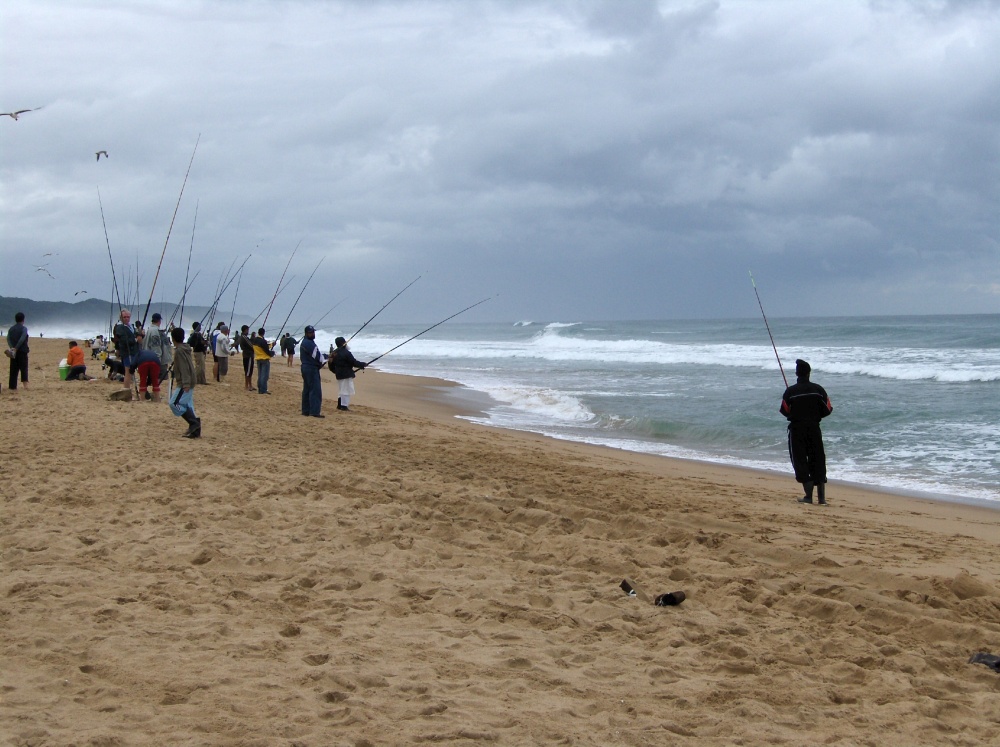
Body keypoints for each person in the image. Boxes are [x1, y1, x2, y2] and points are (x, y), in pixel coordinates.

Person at [780, 359, 833, 505]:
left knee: (800, 460)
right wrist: (814, 417)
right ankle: (821, 499)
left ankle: (808, 497)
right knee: (818, 458)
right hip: (814, 428)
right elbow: (828, 409)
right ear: (809, 373)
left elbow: (784, 410)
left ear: (797, 373)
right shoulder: (818, 390)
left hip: (797, 430)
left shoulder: (790, 392)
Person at [169, 326, 201, 438]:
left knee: (174, 403)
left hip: (185, 382)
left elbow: (184, 367)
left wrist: (186, 383)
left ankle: (194, 423)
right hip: (189, 380)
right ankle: (195, 430)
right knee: (188, 404)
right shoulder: (185, 348)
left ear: (173, 338)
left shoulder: (180, 351)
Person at [330, 336, 367, 411]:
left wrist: (336, 371)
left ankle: (340, 405)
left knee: (342, 389)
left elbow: (330, 365)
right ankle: (344, 406)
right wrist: (363, 364)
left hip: (339, 374)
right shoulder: (346, 353)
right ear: (343, 343)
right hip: (345, 374)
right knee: (345, 390)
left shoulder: (334, 353)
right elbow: (353, 362)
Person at [299, 325, 327, 417]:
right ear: (306, 333)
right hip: (311, 368)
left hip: (306, 367)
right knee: (315, 390)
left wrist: (325, 356)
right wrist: (327, 358)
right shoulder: (309, 343)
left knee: (307, 389)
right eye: (311, 332)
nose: (313, 334)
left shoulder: (305, 342)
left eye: (313, 332)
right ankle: (314, 412)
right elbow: (318, 357)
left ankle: (306, 411)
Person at [143, 312, 172, 387]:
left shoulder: (150, 330)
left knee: (155, 378)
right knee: (158, 378)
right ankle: (154, 392)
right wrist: (157, 360)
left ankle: (153, 391)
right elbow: (156, 347)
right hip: (158, 360)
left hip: (150, 357)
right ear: (159, 321)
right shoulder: (155, 331)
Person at [112, 309, 139, 391]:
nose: (126, 319)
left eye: (128, 317)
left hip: (134, 351)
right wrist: (135, 340)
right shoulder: (120, 327)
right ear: (121, 318)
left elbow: (135, 335)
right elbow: (124, 340)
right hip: (127, 352)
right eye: (124, 317)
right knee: (128, 371)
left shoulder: (131, 326)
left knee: (131, 372)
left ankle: (128, 388)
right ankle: (126, 389)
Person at [7, 311, 29, 391]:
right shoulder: (24, 328)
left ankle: (12, 386)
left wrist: (12, 348)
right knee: (24, 368)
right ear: (23, 320)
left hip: (13, 352)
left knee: (13, 369)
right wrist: (16, 348)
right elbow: (22, 339)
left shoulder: (11, 329)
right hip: (22, 351)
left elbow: (8, 338)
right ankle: (25, 386)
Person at [252, 327, 275, 394]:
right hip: (264, 359)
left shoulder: (255, 340)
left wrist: (271, 345)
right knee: (265, 376)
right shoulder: (262, 341)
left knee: (260, 375)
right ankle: (263, 390)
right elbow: (266, 350)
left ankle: (260, 388)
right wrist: (272, 353)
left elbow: (264, 347)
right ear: (263, 333)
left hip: (258, 359)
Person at [237, 325, 255, 391]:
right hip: (248, 355)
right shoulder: (244, 337)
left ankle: (250, 385)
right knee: (248, 371)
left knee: (248, 371)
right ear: (245, 330)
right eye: (247, 330)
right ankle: (247, 386)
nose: (248, 331)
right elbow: (251, 346)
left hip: (246, 355)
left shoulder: (242, 337)